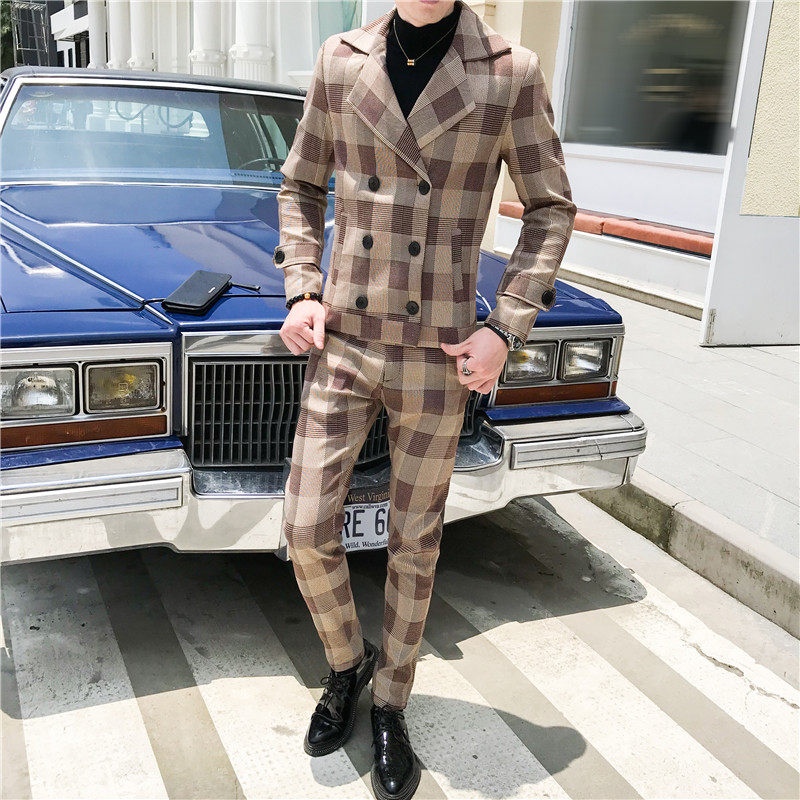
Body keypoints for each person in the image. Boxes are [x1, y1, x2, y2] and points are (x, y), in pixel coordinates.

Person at [274, 1, 576, 797]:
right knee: (304, 526)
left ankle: (391, 702)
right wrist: (303, 287)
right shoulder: (341, 59)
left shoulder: (509, 71)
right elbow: (299, 183)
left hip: (439, 353)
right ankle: (347, 663)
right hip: (346, 343)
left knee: (415, 542)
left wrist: (505, 327)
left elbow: (550, 207)